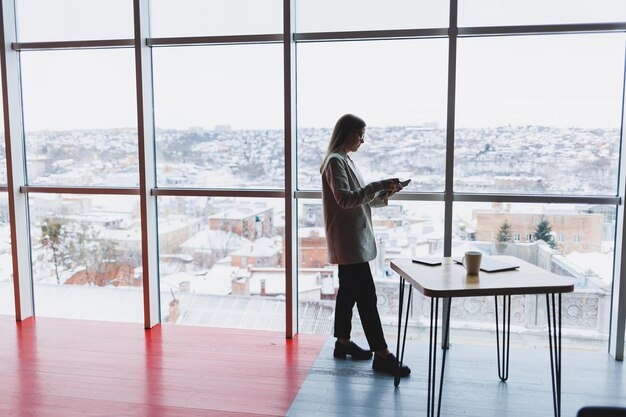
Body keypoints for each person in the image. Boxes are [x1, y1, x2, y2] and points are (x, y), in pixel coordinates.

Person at [320, 113, 411, 377]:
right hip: (349, 240)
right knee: (367, 298)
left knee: (348, 292)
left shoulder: (344, 161)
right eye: (360, 134)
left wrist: (383, 193)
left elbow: (361, 199)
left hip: (352, 238)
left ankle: (343, 342)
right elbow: (346, 200)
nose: (362, 140)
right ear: (346, 133)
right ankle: (381, 354)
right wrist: (377, 185)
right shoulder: (335, 162)